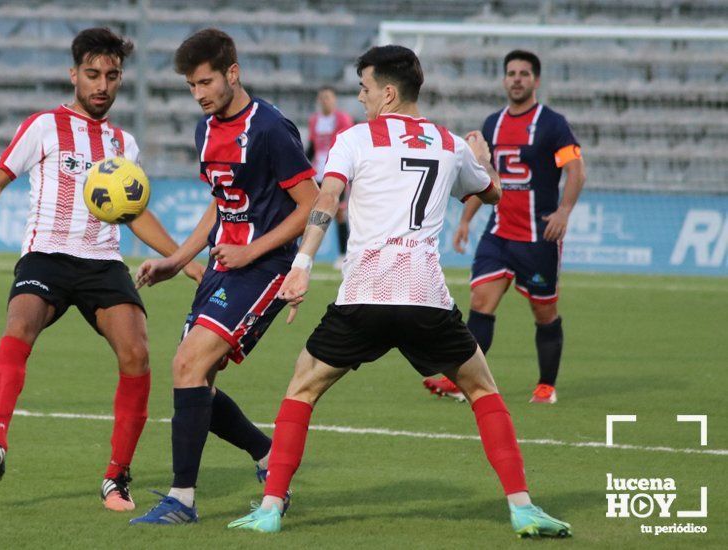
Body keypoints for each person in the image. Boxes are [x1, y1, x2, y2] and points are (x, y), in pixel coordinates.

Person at [227, 45, 572, 538]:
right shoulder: (449, 143)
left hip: (363, 298)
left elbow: (327, 198)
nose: (361, 98)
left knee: (302, 388)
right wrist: (482, 159)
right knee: (482, 389)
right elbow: (492, 193)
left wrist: (302, 264)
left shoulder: (354, 139)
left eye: (365, 89)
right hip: (424, 299)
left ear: (388, 93)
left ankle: (270, 509)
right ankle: (522, 507)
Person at [0, 27, 203, 512]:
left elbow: (133, 214)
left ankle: (116, 477)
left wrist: (183, 261)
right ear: (74, 75)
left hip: (101, 261)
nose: (102, 85)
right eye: (92, 74)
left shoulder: (123, 144)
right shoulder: (44, 126)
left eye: (112, 76)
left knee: (136, 353)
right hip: (46, 254)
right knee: (20, 324)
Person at [129, 28, 318, 525]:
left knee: (188, 368)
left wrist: (252, 249)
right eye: (192, 86)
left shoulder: (272, 129)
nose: (199, 94)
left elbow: (312, 204)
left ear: (233, 73)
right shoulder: (206, 130)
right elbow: (222, 202)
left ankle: (181, 500)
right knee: (196, 380)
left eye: (206, 82)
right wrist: (177, 259)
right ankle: (267, 456)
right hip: (222, 267)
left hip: (264, 269)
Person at [424, 49, 586, 405]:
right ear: (503, 79)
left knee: (544, 313)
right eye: (511, 73)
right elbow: (487, 179)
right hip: (498, 235)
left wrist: (564, 211)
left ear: (536, 81)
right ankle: (463, 383)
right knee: (480, 303)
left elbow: (575, 169)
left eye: (524, 73)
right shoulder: (492, 124)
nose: (516, 79)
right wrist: (466, 220)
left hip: (537, 238)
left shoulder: (552, 124)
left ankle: (546, 385)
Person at [306, 86, 353, 268]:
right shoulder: (314, 121)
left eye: (328, 97)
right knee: (313, 213)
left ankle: (343, 255)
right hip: (317, 173)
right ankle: (308, 254)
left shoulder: (342, 119)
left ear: (334, 100)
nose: (325, 101)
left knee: (340, 213)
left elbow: (347, 145)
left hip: (336, 172)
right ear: (319, 100)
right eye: (322, 97)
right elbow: (311, 147)